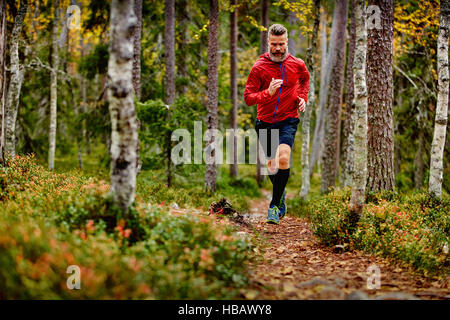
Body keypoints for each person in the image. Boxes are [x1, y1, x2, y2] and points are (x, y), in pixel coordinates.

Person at [244, 23, 310, 224]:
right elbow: (248, 98)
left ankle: (273, 206)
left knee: (283, 159)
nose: (278, 48)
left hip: (288, 120)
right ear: (268, 43)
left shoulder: (297, 64)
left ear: (287, 42)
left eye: (281, 44)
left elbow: (305, 80)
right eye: (274, 44)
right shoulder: (259, 67)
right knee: (272, 166)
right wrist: (268, 93)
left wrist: (302, 97)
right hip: (264, 122)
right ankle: (281, 196)